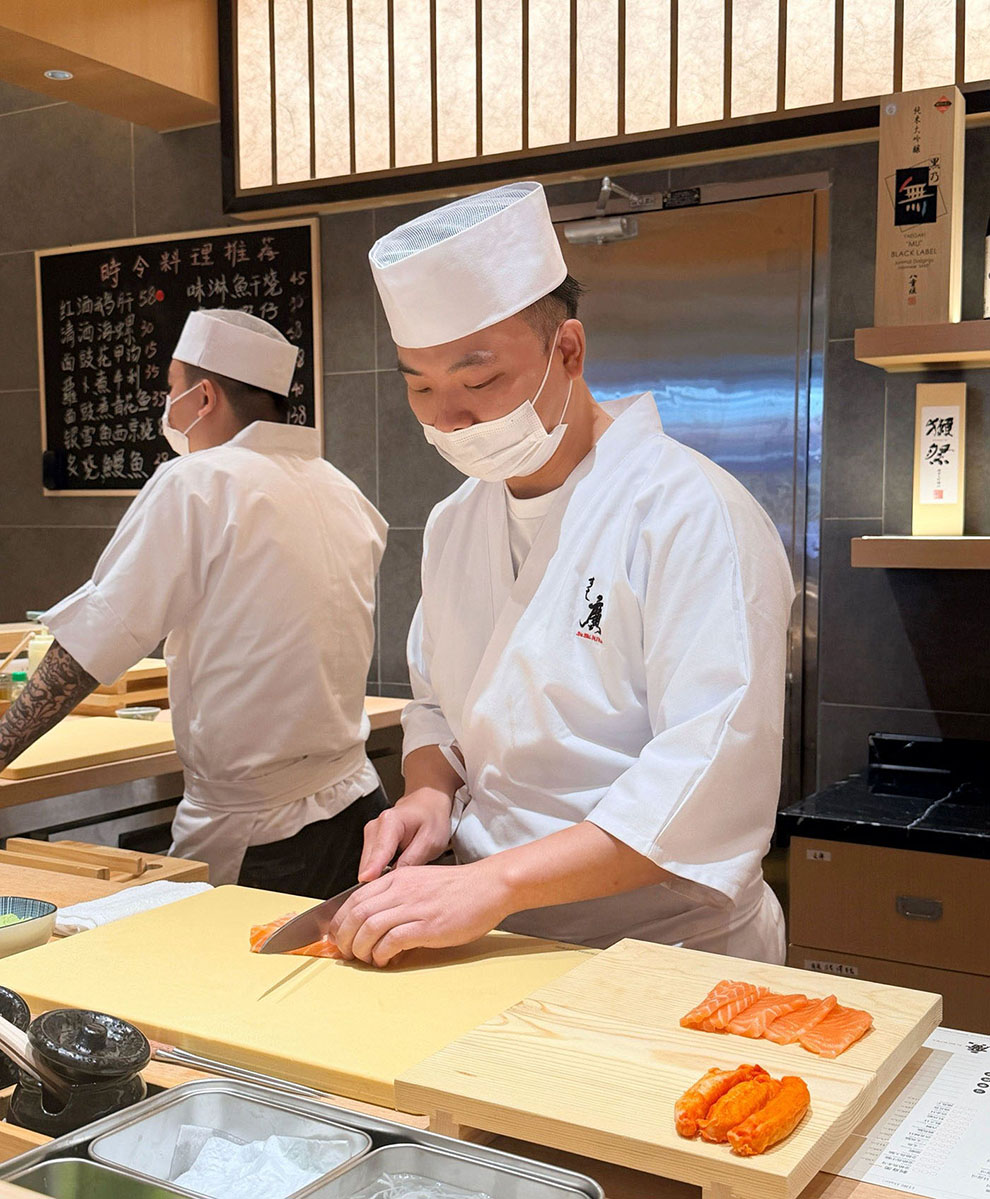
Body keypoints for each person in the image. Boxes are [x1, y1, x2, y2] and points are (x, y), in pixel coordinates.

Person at [326, 181, 795, 967]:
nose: (448, 417)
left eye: (478, 382)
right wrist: (429, 791)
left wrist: (496, 883)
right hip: (490, 937)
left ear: (568, 352)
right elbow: (437, 704)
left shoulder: (692, 513)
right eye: (420, 386)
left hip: (668, 951)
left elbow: (706, 775)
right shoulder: (454, 523)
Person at [0, 309, 387, 895]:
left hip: (263, 832)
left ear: (204, 397)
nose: (167, 406)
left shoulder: (196, 482)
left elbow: (93, 643)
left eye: (172, 388)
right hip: (359, 808)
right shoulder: (340, 487)